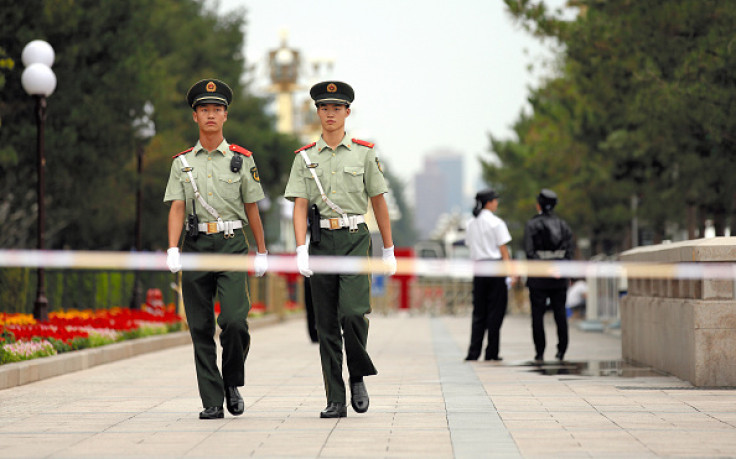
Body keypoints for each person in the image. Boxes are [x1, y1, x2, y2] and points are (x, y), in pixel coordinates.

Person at [284, 81, 396, 418]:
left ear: (347, 112)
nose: (330, 113)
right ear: (317, 112)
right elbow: (300, 206)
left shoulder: (364, 152)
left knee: (351, 312)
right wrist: (300, 247)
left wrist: (389, 249)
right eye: (324, 108)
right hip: (320, 243)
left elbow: (378, 202)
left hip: (354, 239)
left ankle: (357, 374)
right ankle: (335, 398)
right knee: (326, 324)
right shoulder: (304, 158)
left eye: (337, 108)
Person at [163, 78, 269, 419]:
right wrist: (172, 248)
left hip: (232, 244)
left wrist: (262, 251)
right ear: (195, 116)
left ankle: (231, 382)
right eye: (204, 109)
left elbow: (252, 207)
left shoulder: (243, 160)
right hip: (195, 246)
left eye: (217, 109)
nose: (211, 115)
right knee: (200, 327)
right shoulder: (182, 163)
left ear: (225, 116)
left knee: (236, 320)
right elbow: (177, 207)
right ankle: (211, 399)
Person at [523, 189, 574, 362]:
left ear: (539, 204)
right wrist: (560, 269)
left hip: (538, 278)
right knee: (560, 313)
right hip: (559, 277)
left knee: (537, 316)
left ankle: (539, 352)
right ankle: (562, 350)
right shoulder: (564, 225)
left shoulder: (532, 225)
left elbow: (529, 253)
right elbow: (569, 253)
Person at [464, 189, 514, 362]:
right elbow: (503, 249)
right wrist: (509, 273)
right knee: (496, 311)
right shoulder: (496, 223)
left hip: (479, 269)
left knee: (479, 312)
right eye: (495, 200)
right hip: (495, 268)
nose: (497, 203)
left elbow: (469, 245)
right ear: (489, 202)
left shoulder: (471, 223)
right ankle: (491, 352)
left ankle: (473, 352)